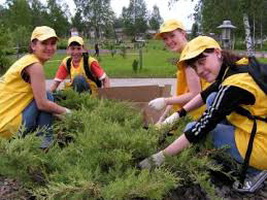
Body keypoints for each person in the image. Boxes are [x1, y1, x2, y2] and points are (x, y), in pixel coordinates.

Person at [139, 36, 267, 193]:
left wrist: (160, 157)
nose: (199, 71)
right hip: (261, 124)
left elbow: (200, 128)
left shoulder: (235, 85)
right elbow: (205, 95)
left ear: (217, 53)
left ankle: (253, 171)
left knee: (193, 126)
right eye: (194, 67)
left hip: (262, 144)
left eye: (202, 62)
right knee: (213, 98)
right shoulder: (237, 65)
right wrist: (178, 114)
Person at [0, 26, 71, 149]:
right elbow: (42, 104)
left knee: (46, 96)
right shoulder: (34, 65)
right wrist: (68, 113)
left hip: (3, 123)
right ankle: (45, 143)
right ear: (33, 45)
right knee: (47, 96)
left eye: (53, 43)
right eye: (44, 43)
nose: (49, 48)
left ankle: (38, 138)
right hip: (8, 127)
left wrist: (58, 114)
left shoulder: (25, 61)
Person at [148, 19, 210, 125]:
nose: (169, 41)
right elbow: (181, 93)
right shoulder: (186, 53)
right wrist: (162, 118)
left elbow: (195, 94)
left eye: (172, 36)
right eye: (165, 38)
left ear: (183, 33)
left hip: (196, 116)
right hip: (188, 113)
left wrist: (165, 101)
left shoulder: (190, 57)